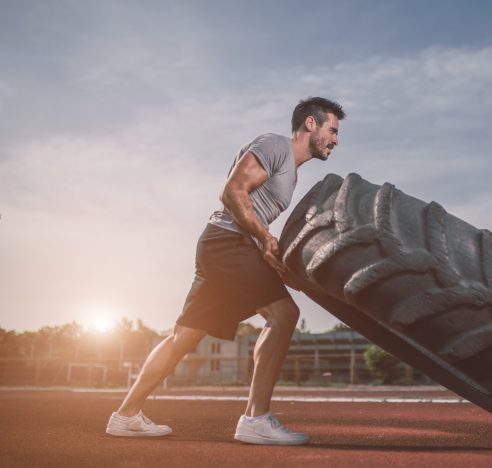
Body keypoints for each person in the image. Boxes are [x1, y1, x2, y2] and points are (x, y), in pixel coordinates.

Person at [105, 97, 345, 445]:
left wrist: (270, 251)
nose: (336, 140)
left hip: (225, 245)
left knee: (183, 338)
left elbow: (253, 213)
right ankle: (256, 419)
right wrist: (264, 238)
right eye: (332, 130)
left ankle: (125, 416)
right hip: (226, 243)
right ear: (311, 124)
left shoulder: (291, 173)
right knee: (283, 315)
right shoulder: (275, 145)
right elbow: (232, 191)